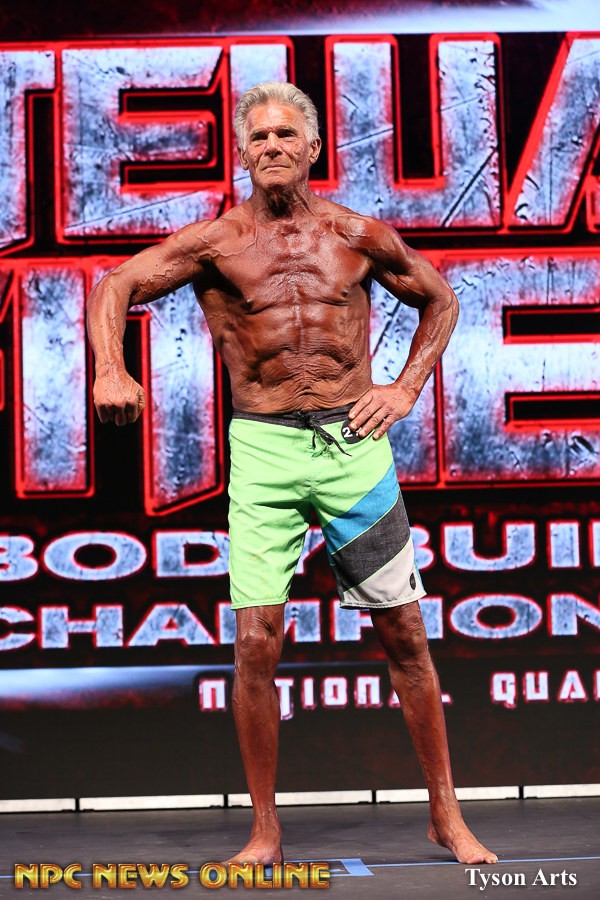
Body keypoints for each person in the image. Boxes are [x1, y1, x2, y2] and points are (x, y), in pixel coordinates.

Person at [86, 81, 497, 867]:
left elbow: (440, 300)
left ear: (312, 148)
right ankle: (266, 829)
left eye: (285, 136)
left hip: (354, 447)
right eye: (259, 138)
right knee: (255, 641)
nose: (271, 147)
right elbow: (117, 284)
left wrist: (405, 387)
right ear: (243, 154)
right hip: (265, 450)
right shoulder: (218, 242)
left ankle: (446, 814)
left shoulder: (356, 233)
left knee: (404, 631)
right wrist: (111, 366)